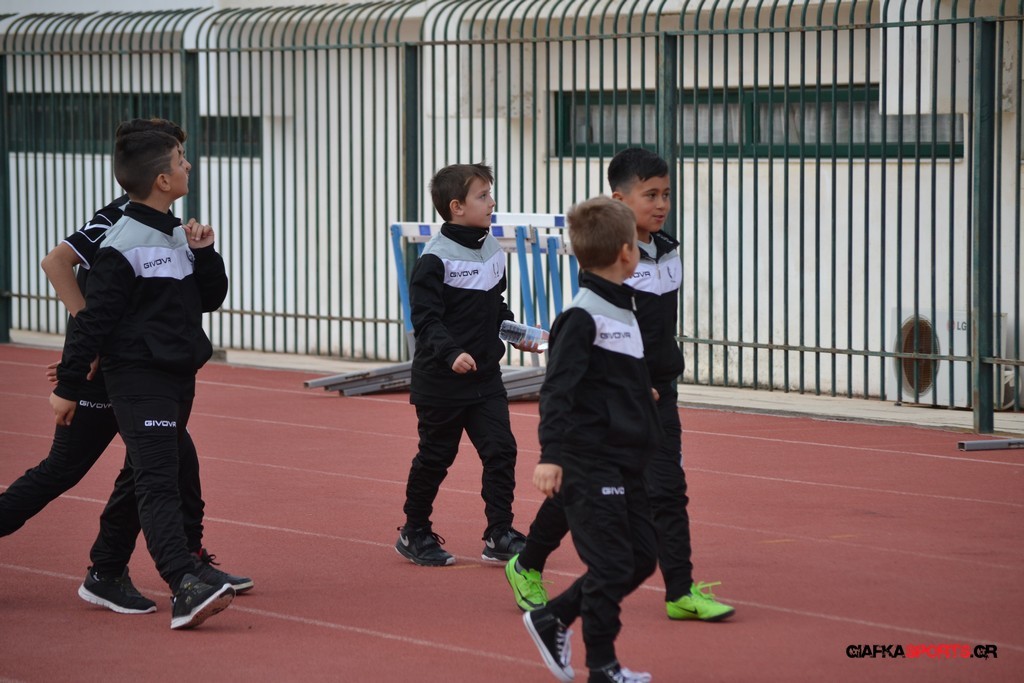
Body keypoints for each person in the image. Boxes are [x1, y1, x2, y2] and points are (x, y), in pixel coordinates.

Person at [0, 119, 252, 616]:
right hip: (112, 368)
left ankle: (118, 568)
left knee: (165, 464)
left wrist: (204, 254)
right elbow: (61, 269)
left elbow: (199, 298)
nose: (188, 163)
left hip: (148, 368)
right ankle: (174, 573)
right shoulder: (118, 223)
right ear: (158, 173)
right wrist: (78, 367)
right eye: (180, 156)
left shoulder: (171, 226)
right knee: (71, 470)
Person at [506, 148, 734, 621]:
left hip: (657, 394)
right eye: (650, 195)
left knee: (667, 490)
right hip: (613, 400)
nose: (661, 203)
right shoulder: (611, 260)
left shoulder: (668, 250)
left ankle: (680, 590)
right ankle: (527, 564)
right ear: (619, 200)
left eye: (666, 194)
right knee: (583, 489)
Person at [522, 196, 659, 683]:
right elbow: (558, 390)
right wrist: (550, 456)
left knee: (640, 558)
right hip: (589, 460)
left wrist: (640, 395)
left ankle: (553, 617)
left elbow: (607, 379)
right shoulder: (582, 316)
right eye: (637, 244)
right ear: (626, 252)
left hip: (626, 460)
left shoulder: (623, 308)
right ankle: (602, 665)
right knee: (613, 563)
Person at [394, 162, 536, 567]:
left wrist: (520, 334)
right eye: (483, 195)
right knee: (435, 457)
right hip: (441, 380)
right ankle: (414, 531)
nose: (492, 202)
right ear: (456, 207)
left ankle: (499, 533)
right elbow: (426, 319)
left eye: (490, 194)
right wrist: (452, 353)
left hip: (485, 378)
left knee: (501, 450)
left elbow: (495, 306)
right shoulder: (435, 259)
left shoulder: (491, 249)